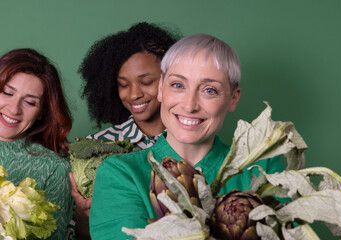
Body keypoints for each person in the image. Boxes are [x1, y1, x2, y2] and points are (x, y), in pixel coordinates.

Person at [89, 34, 286, 239]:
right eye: (178, 85)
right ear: (160, 89)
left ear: (233, 99)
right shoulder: (121, 173)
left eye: (209, 90)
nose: (189, 105)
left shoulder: (265, 168)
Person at [68, 22, 180, 239]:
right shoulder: (96, 146)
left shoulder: (190, 141)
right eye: (123, 84)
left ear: (171, 80)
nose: (134, 94)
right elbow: (80, 235)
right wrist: (83, 215)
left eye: (145, 81)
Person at [0, 48, 73, 239]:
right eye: (7, 93)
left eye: (30, 102)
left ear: (42, 112)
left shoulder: (54, 168)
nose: (14, 109)